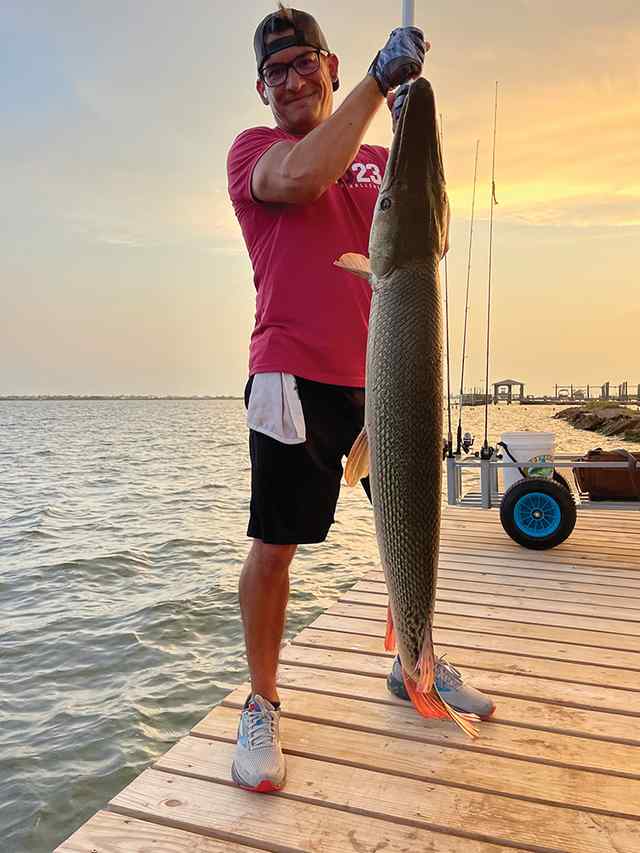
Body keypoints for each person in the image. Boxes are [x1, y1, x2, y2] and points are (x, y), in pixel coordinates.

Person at [226, 4, 495, 794]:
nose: (292, 78)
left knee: (415, 520)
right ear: (262, 89)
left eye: (305, 60)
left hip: (386, 378)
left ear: (330, 64)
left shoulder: (377, 157)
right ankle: (264, 703)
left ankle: (415, 655)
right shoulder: (258, 152)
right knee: (275, 544)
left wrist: (416, 121)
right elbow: (304, 177)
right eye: (276, 70)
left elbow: (429, 234)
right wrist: (383, 81)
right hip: (292, 376)